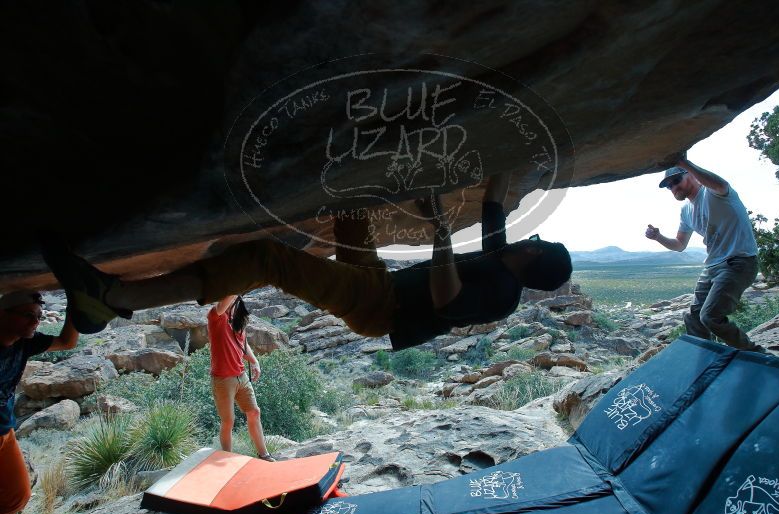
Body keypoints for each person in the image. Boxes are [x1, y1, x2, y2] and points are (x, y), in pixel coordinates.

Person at [42, 173, 572, 349]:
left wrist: (437, 230)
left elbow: (446, 299)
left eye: (541, 242)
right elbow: (494, 209)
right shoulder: (505, 261)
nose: (536, 237)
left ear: (537, 262)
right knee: (350, 210)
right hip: (380, 286)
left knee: (269, 259)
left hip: (379, 307)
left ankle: (113, 298)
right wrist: (506, 163)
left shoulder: (502, 296)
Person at [645, 157, 762, 351]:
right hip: (712, 266)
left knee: (710, 316)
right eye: (669, 186)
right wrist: (658, 237)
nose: (673, 187)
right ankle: (707, 359)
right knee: (693, 318)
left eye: (676, 180)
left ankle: (756, 355)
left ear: (690, 175)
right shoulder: (686, 211)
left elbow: (721, 184)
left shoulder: (715, 193)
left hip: (739, 262)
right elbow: (679, 244)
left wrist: (683, 163)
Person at [0, 291, 78, 514]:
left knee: (17, 496)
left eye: (39, 316)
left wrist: (77, 305)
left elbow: (67, 342)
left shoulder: (25, 342)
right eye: (28, 315)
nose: (35, 322)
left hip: (5, 431)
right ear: (2, 315)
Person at [207, 295, 274, 462]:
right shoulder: (215, 317)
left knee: (254, 412)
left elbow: (243, 345)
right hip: (223, 380)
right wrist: (236, 286)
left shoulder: (237, 322)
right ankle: (228, 459)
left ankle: (264, 455)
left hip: (241, 377)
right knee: (228, 421)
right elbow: (222, 305)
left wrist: (255, 361)